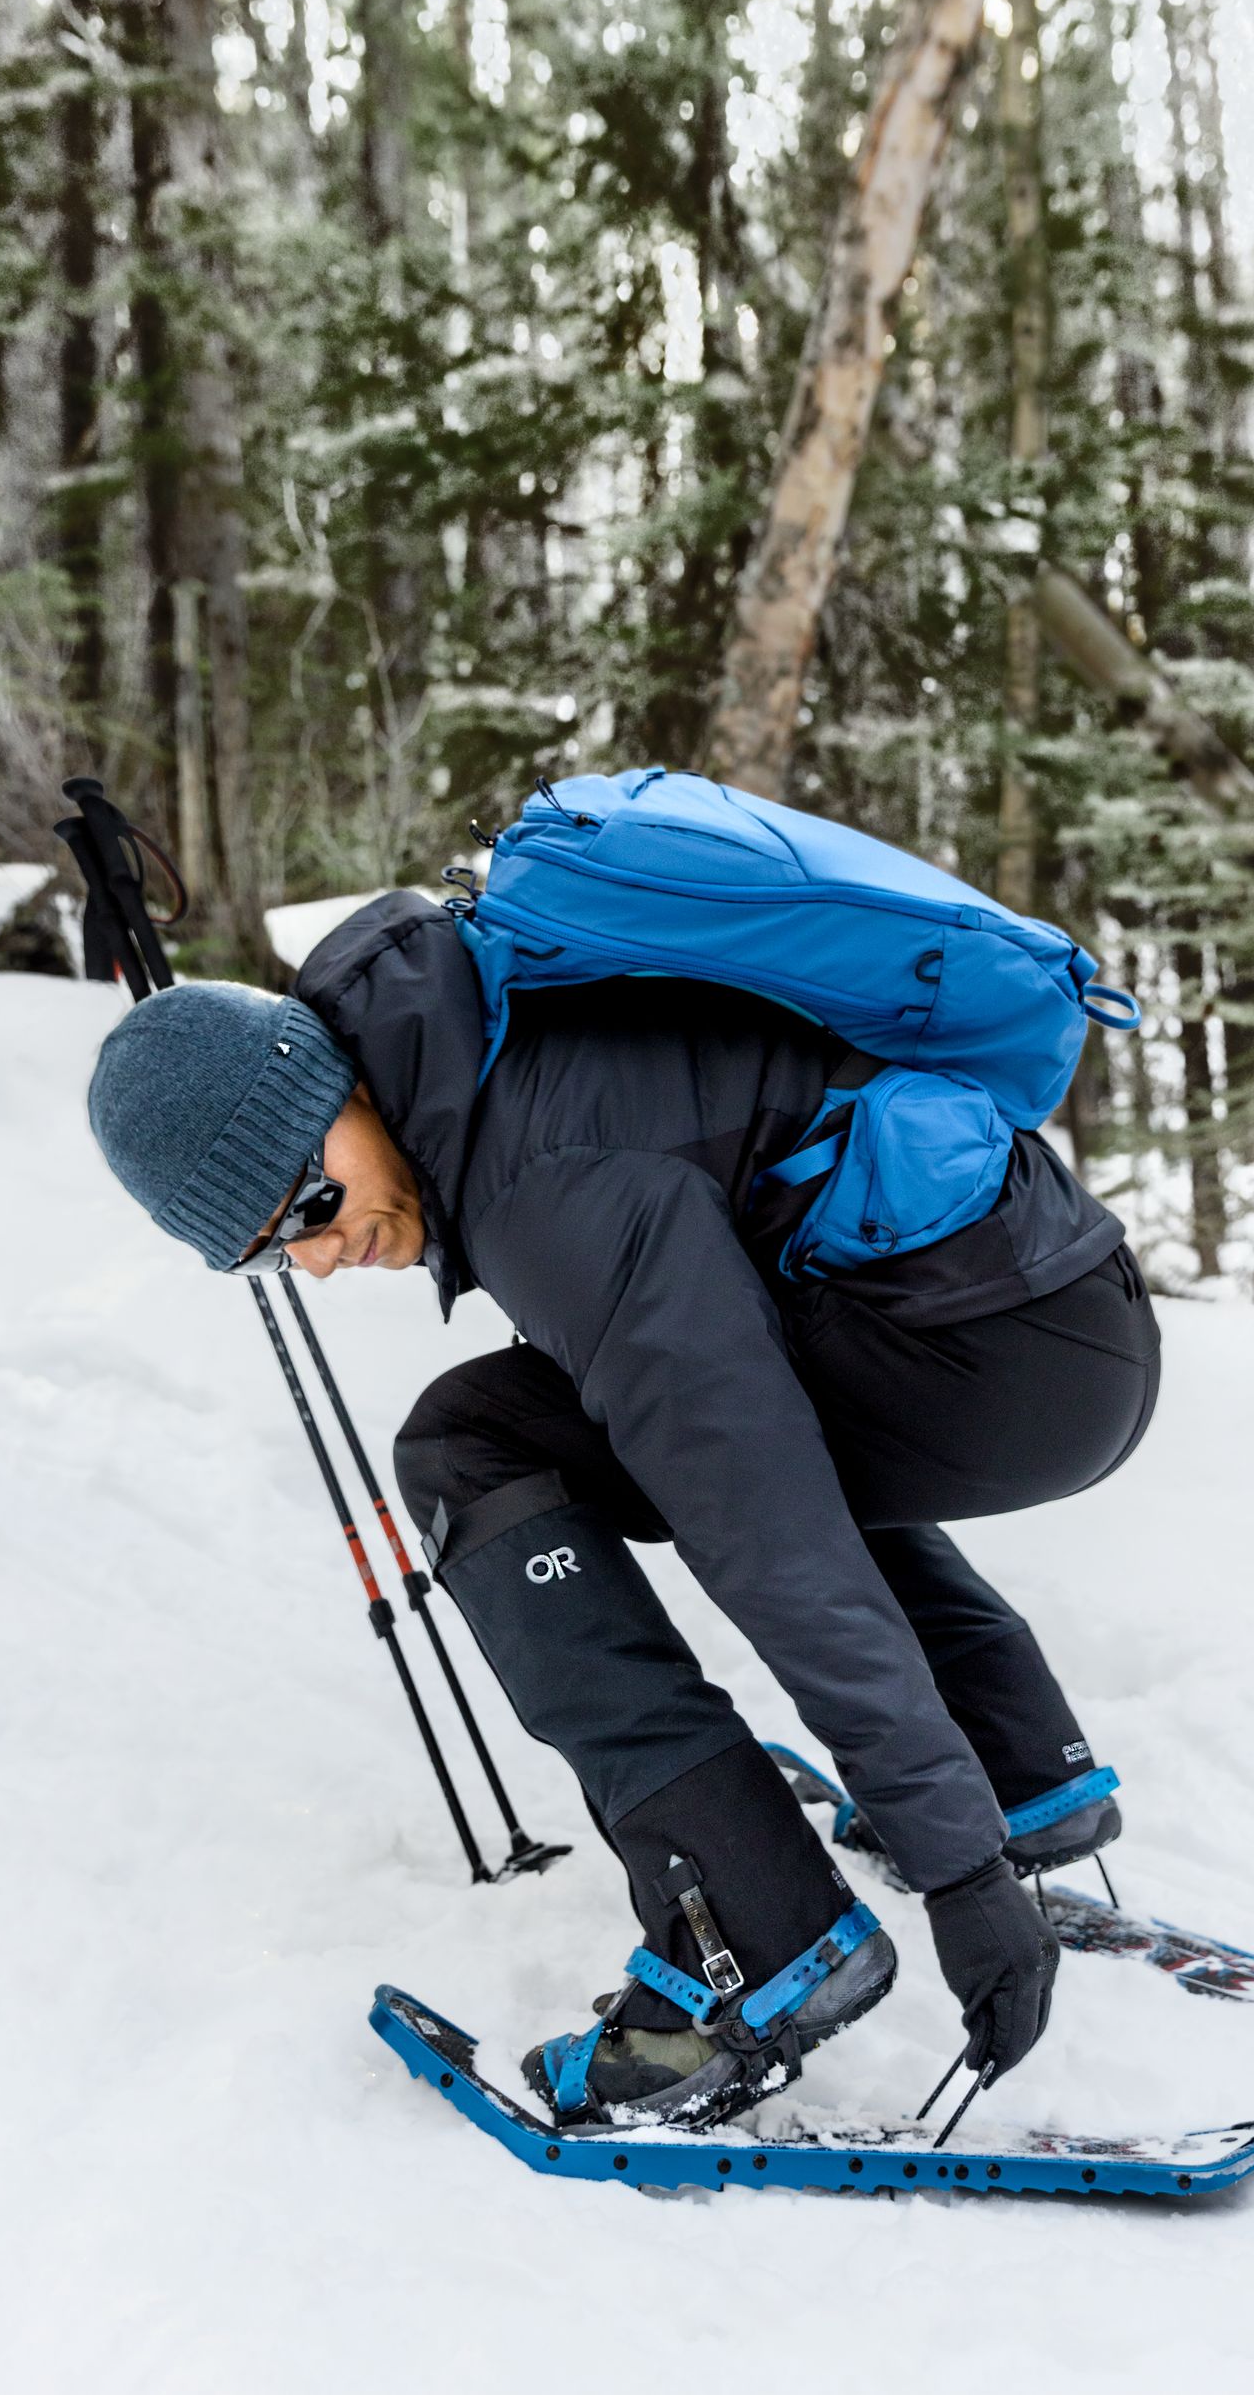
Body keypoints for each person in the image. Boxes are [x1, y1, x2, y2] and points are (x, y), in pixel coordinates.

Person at [87, 887, 1160, 2128]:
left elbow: (768, 1529)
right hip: (1032, 1321)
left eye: (314, 1202)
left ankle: (755, 1939)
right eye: (276, 1250)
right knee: (562, 1421)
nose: (325, 1255)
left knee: (486, 1448)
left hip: (1007, 1360)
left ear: (338, 1088)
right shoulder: (475, 1050)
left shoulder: (547, 1177)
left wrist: (957, 1867)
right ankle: (1022, 1764)